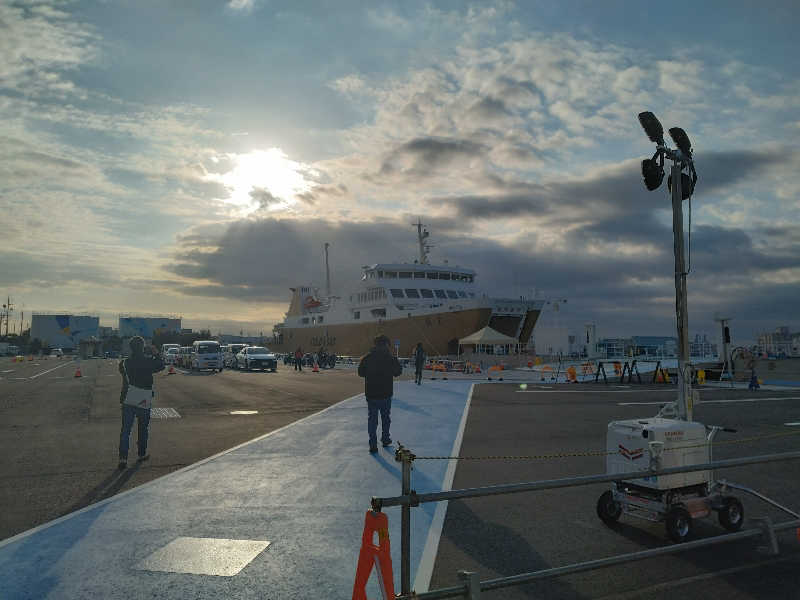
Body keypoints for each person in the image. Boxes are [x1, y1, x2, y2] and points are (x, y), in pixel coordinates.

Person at [118, 336, 164, 469]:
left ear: (131, 347)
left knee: (126, 430)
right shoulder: (147, 362)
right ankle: (141, 454)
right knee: (143, 428)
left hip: (128, 398)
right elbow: (161, 366)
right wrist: (155, 353)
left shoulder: (124, 363)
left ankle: (122, 458)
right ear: (142, 347)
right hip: (144, 399)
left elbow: (122, 372)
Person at [358, 335, 402, 453]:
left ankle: (373, 444)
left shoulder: (367, 358)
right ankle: (385, 439)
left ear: (375, 344)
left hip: (371, 395)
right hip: (386, 394)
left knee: (372, 420)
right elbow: (398, 372)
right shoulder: (390, 358)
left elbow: (360, 373)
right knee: (386, 418)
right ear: (386, 344)